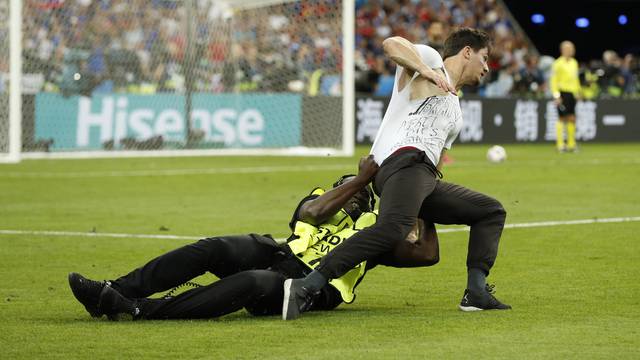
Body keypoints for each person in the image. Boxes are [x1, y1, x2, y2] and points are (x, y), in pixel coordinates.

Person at [283, 28, 510, 321]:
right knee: (393, 228)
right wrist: (426, 70)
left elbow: (438, 160)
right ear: (467, 51)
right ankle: (308, 285)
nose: (487, 67)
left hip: (423, 177)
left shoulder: (456, 110)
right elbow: (391, 44)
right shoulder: (429, 60)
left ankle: (476, 292)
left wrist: (419, 208)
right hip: (401, 161)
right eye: (484, 57)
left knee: (490, 211)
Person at [68, 156, 440, 321]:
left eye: (360, 192)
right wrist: (358, 180)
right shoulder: (317, 201)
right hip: (276, 252)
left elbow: (426, 255)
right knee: (215, 248)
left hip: (311, 286)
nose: (354, 193)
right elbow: (311, 214)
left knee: (253, 281)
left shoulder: (378, 227)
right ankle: (114, 291)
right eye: (344, 187)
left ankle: (137, 310)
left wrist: (419, 199)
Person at [550, 41, 581, 152]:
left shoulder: (574, 62)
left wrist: (578, 92)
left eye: (572, 48)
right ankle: (560, 145)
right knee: (562, 118)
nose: (571, 50)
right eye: (568, 48)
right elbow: (553, 80)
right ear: (563, 50)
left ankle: (571, 144)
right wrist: (556, 95)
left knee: (572, 118)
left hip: (572, 94)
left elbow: (576, 79)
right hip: (562, 93)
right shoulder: (557, 63)